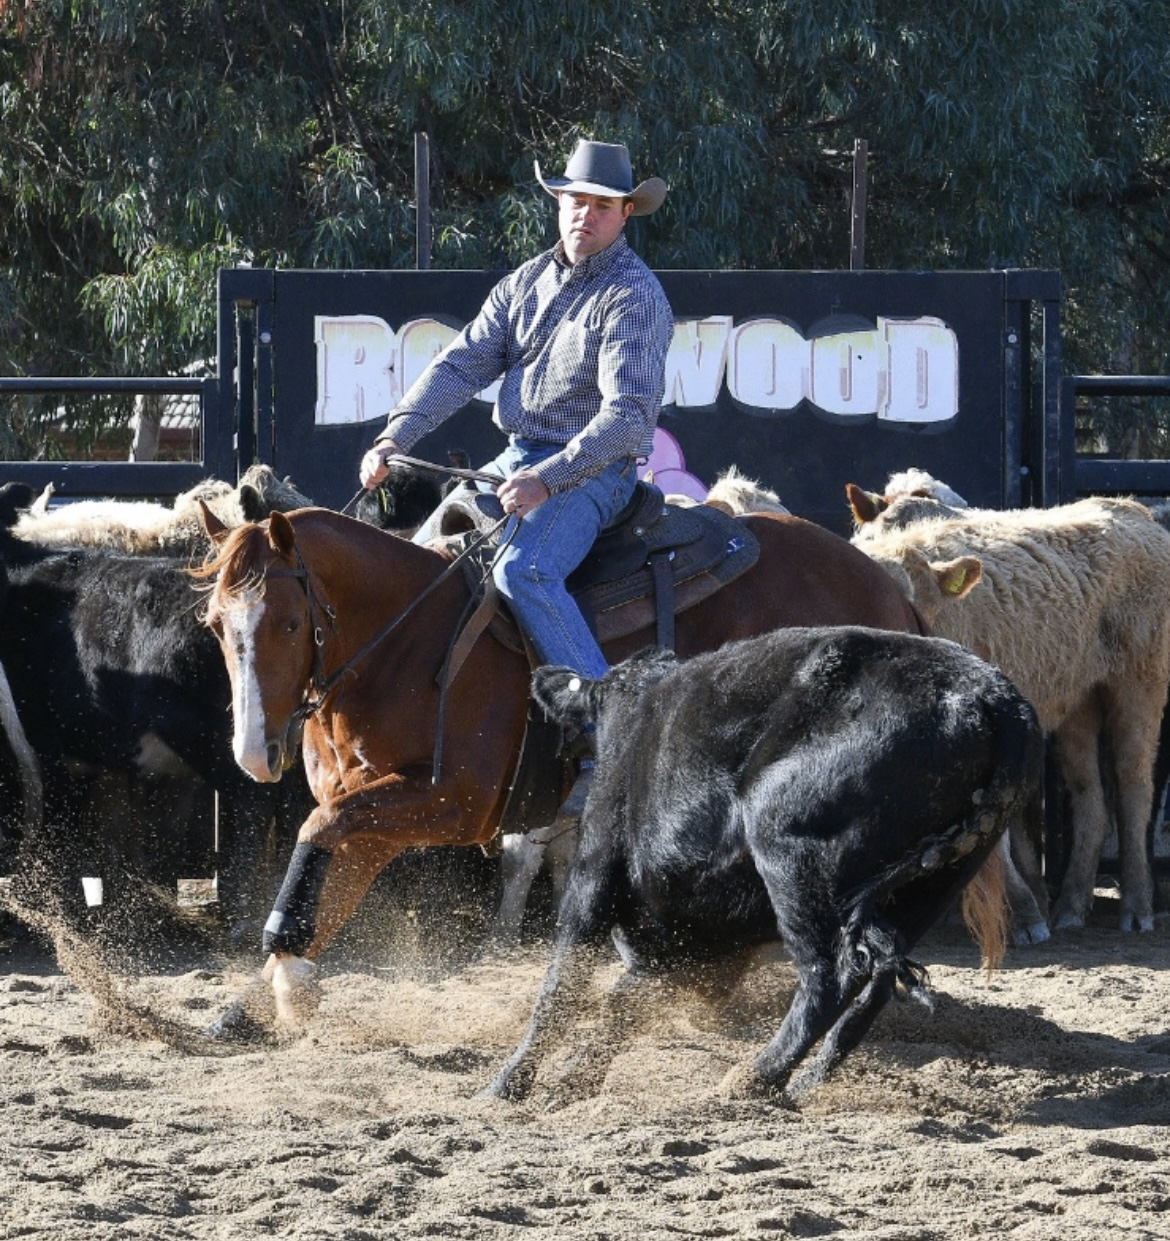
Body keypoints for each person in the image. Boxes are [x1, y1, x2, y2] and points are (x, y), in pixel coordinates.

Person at [360, 138, 674, 684]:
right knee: (421, 559)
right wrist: (395, 439)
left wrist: (547, 480)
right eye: (577, 200)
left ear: (627, 212)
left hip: (598, 472)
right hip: (516, 458)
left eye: (603, 205)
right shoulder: (525, 283)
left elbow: (627, 417)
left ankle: (601, 712)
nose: (586, 214)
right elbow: (461, 365)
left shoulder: (633, 296)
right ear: (559, 202)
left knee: (523, 570)